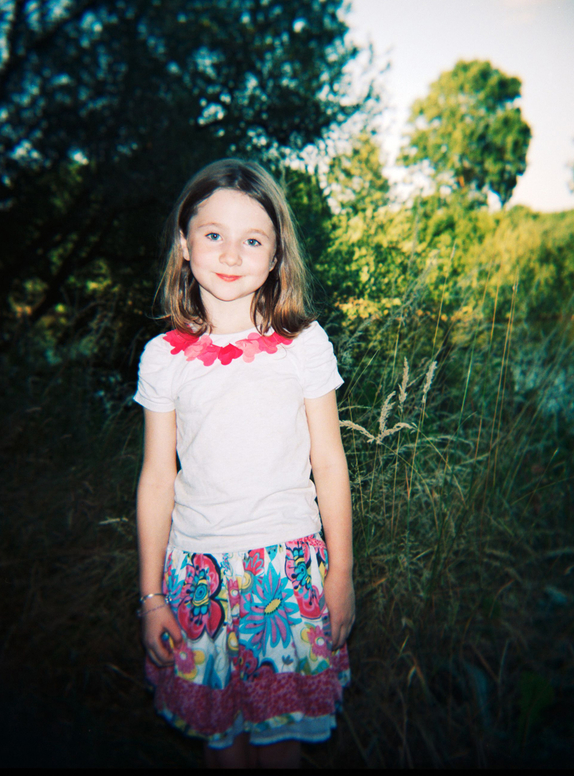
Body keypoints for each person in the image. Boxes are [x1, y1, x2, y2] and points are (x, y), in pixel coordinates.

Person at [133, 159, 354, 769]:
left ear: (277, 254)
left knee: (280, 743)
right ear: (184, 244)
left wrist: (341, 574)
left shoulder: (303, 345)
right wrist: (151, 597)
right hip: (196, 574)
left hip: (285, 572)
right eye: (213, 235)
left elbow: (330, 464)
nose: (231, 254)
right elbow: (157, 478)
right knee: (222, 744)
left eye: (252, 239)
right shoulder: (164, 358)